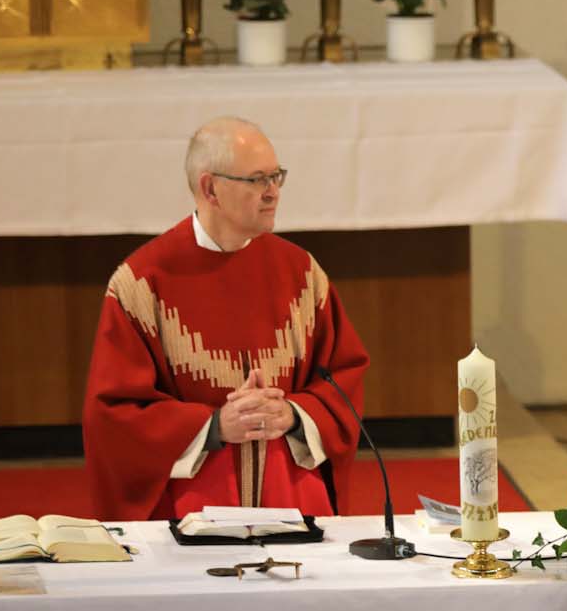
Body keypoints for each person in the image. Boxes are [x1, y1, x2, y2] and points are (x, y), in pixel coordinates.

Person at [82, 116, 370, 521]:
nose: (273, 193)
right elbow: (114, 415)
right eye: (257, 180)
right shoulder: (142, 283)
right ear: (209, 188)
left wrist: (293, 414)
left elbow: (343, 380)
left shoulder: (303, 274)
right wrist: (214, 426)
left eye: (277, 177)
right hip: (188, 514)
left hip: (291, 501)